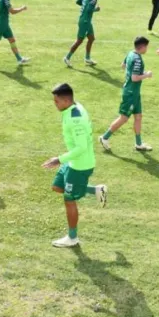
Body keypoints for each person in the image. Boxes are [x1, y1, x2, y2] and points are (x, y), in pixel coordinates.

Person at [43, 83, 107, 248]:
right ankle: (96, 190)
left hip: (79, 165)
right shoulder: (73, 107)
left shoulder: (75, 119)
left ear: (66, 100)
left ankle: (72, 238)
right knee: (58, 187)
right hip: (73, 162)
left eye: (56, 101)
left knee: (69, 199)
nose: (54, 104)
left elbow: (81, 147)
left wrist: (59, 159)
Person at [100, 36, 153, 152]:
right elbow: (134, 78)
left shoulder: (130, 54)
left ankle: (139, 144)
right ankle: (105, 137)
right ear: (143, 46)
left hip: (133, 92)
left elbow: (123, 65)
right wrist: (147, 75)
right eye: (147, 47)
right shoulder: (138, 59)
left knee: (138, 117)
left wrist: (138, 73)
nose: (147, 49)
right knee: (124, 118)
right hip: (131, 93)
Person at [64, 0, 101, 67]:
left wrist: (84, 6)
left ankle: (87, 58)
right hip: (85, 22)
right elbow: (89, 10)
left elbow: (78, 2)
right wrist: (96, 9)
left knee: (91, 38)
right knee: (79, 41)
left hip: (84, 19)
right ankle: (67, 57)